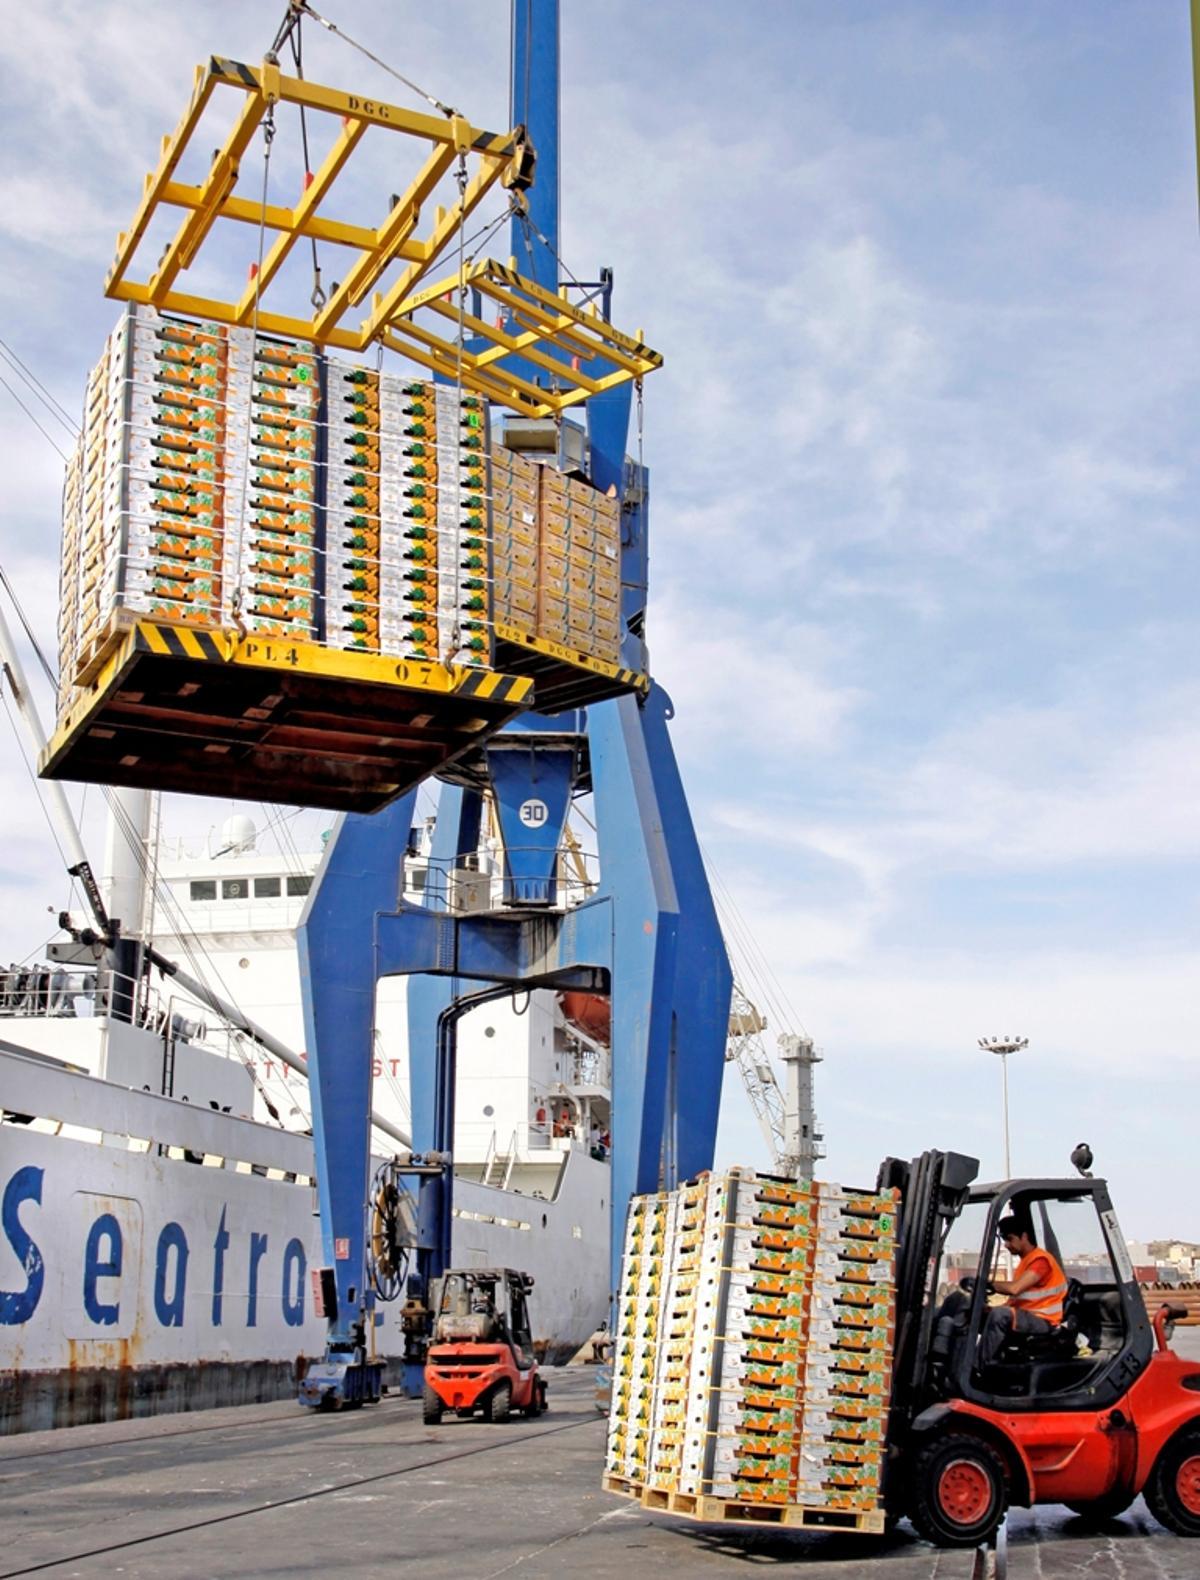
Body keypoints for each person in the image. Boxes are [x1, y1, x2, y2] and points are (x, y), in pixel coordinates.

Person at [976, 1215, 1068, 1366]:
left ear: (1024, 1236)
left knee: (1000, 1316)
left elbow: (1014, 1288)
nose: (1006, 1244)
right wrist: (989, 1309)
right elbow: (1018, 1301)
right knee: (970, 1309)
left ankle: (977, 1368)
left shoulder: (1040, 1261)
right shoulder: (1026, 1263)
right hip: (1027, 1317)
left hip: (1044, 1321)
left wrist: (987, 1284)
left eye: (1009, 1239)